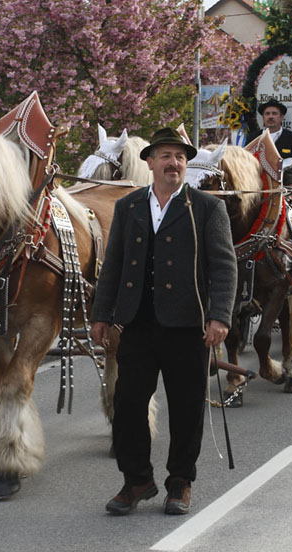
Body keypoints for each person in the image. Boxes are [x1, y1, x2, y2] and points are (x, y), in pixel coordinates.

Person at [90, 126, 237, 516]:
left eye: (180, 158)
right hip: (136, 323)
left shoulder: (207, 207)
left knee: (186, 409)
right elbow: (114, 266)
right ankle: (137, 480)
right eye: (166, 156)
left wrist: (220, 315)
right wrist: (102, 314)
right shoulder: (129, 206)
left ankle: (179, 482)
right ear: (150, 162)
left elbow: (224, 266)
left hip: (188, 325)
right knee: (127, 405)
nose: (174, 163)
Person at [250, 98, 292, 185]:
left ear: (281, 117)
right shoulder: (253, 138)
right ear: (263, 117)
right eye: (267, 114)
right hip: (255, 181)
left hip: (283, 183)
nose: (270, 116)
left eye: (274, 114)